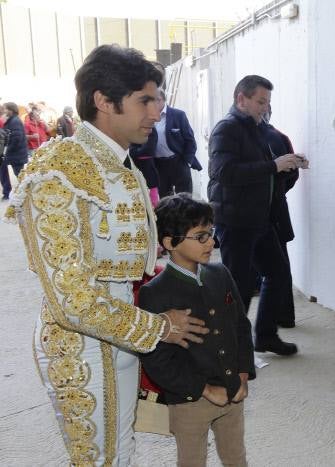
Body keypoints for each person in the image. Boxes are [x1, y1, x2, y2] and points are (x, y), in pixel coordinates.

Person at [5, 44, 208, 466]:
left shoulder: (122, 166)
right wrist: (158, 329)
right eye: (145, 100)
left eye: (159, 100)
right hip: (80, 347)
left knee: (119, 453)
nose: (156, 113)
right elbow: (71, 299)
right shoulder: (58, 169)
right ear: (103, 101)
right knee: (100, 459)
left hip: (121, 339)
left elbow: (131, 261)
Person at [139, 193, 255, 467]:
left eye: (211, 233)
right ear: (170, 242)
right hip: (190, 399)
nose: (212, 242)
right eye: (201, 236)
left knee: (237, 458)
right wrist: (203, 389)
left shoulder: (221, 274)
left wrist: (242, 375)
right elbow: (157, 360)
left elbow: (240, 326)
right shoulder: (153, 294)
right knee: (192, 461)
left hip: (231, 390)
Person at [208, 74, 305, 356]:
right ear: (242, 99)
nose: (265, 107)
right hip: (236, 221)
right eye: (261, 101)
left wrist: (289, 164)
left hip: (260, 220)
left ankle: (265, 336)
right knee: (239, 285)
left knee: (277, 274)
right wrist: (273, 166)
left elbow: (264, 167)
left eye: (267, 102)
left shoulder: (257, 128)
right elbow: (223, 172)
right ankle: (232, 345)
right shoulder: (226, 129)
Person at [259, 105, 306, 328]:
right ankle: (284, 316)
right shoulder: (279, 136)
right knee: (280, 265)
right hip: (277, 210)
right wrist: (278, 193)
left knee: (270, 268)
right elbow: (292, 174)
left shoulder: (254, 137)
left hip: (261, 214)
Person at [150, 88, 201, 197]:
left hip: (178, 161)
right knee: (165, 199)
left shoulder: (178, 115)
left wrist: (186, 162)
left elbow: (190, 141)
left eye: (157, 100)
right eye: (152, 100)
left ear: (163, 100)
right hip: (159, 164)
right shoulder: (148, 117)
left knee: (185, 198)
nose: (155, 103)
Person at [1, 102, 29, 199]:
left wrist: (6, 150)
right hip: (13, 154)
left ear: (11, 110)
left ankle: (27, 193)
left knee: (20, 175)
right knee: (16, 174)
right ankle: (8, 192)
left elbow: (16, 138)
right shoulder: (11, 120)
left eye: (5, 109)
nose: (4, 111)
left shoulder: (15, 121)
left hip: (16, 154)